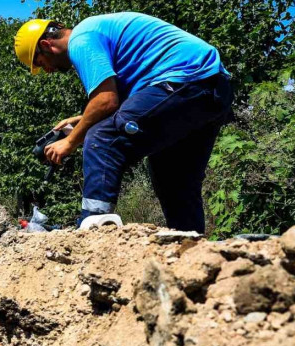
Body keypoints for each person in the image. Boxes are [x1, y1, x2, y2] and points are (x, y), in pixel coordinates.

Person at [14, 12, 233, 233]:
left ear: (46, 44)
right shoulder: (97, 31)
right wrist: (82, 121)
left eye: (41, 63)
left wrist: (70, 141)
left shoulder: (80, 39)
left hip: (185, 79)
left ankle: (93, 226)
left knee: (102, 138)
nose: (47, 70)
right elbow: (131, 105)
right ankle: (190, 245)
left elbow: (106, 101)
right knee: (173, 179)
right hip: (210, 88)